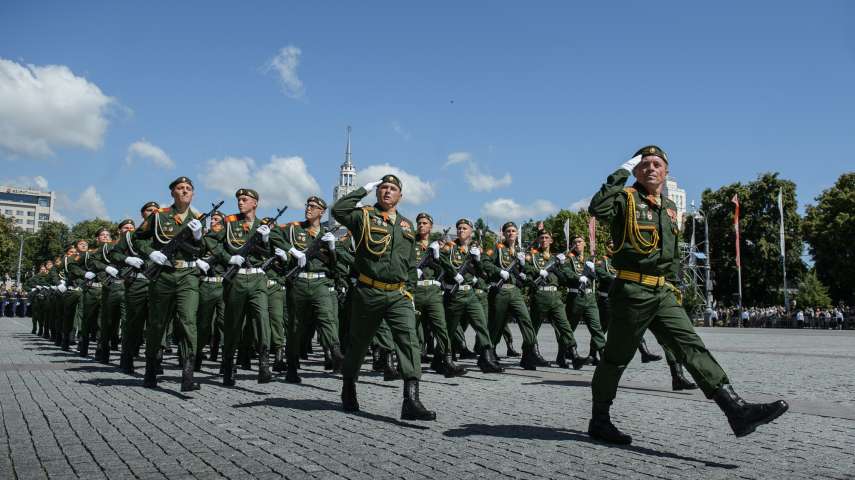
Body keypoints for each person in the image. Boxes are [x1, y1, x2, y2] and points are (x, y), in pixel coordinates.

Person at [586, 145, 788, 444]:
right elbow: (596, 208)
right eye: (644, 164)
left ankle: (736, 409)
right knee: (616, 359)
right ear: (637, 171)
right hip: (632, 291)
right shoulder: (624, 200)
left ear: (666, 172)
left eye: (657, 164)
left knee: (692, 346)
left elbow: (668, 256)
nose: (651, 168)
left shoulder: (669, 207)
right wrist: (622, 170)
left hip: (662, 290)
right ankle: (600, 419)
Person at [332, 174, 436, 420]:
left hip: (398, 293)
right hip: (369, 291)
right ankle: (348, 386)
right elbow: (338, 209)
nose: (387, 192)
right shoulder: (363, 216)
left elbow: (410, 264)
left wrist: (410, 290)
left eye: (392, 189)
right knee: (358, 343)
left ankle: (411, 399)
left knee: (409, 341)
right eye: (383, 188)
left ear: (400, 195)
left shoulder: (407, 226)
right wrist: (362, 190)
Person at [134, 177, 206, 392]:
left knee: (188, 322)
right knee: (157, 323)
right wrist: (151, 253)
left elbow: (203, 249)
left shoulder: (199, 218)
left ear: (193, 194)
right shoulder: (159, 215)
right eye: (180, 188)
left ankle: (188, 373)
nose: (184, 191)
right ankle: (150, 368)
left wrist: (198, 235)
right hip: (164, 274)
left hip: (189, 274)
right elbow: (138, 238)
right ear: (172, 193)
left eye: (188, 189)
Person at [213, 188, 275, 386]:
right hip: (237, 279)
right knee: (233, 324)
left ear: (255, 203)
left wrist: (266, 240)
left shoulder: (263, 225)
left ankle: (264, 363)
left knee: (263, 320)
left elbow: (274, 252)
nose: (240, 202)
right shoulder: (230, 222)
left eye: (245, 199)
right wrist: (228, 257)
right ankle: (229, 365)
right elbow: (210, 241)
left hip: (258, 278)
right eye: (239, 199)